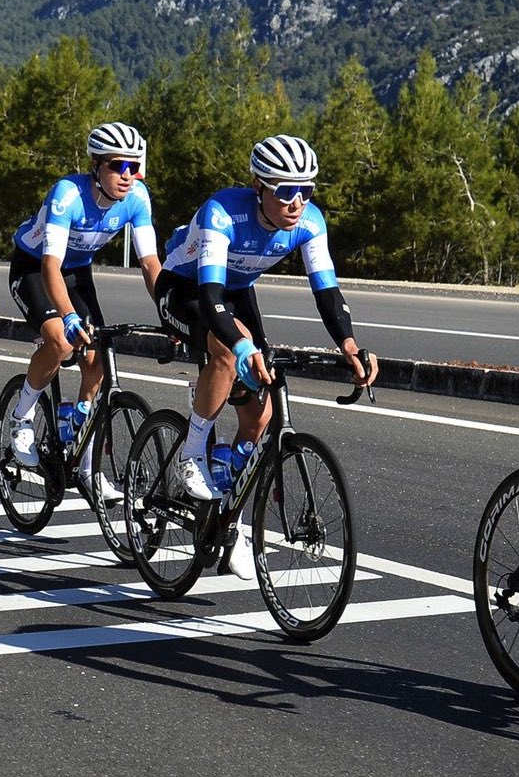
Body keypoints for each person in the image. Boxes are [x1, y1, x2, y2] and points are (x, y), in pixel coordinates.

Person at [154, 134, 379, 580]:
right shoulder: (223, 212)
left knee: (261, 416)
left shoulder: (309, 221)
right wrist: (241, 347)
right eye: (285, 190)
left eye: (306, 190)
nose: (297, 202)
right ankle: (191, 452)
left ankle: (229, 519)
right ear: (259, 186)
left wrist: (350, 345)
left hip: (237, 292)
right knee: (229, 350)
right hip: (187, 289)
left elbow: (327, 292)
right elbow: (210, 294)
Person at [4, 122, 162, 501]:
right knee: (61, 341)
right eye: (117, 166)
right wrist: (69, 317)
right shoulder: (68, 194)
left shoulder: (137, 197)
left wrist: (169, 313)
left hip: (77, 272)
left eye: (134, 167)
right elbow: (50, 266)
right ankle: (21, 417)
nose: (127, 175)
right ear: (96, 165)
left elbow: (150, 263)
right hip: (35, 268)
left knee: (98, 359)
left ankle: (87, 463)